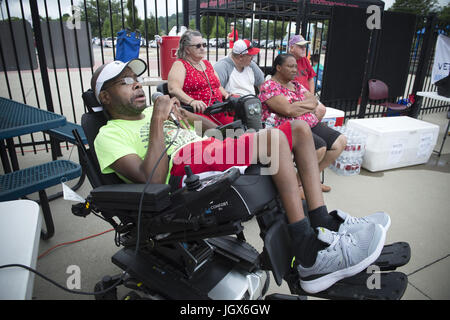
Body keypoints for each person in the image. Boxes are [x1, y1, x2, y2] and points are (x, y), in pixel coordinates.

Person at [92, 58, 390, 294]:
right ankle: (308, 255)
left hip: (207, 150)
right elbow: (153, 181)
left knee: (299, 130)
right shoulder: (108, 135)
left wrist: (187, 117)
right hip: (182, 171)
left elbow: (210, 130)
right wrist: (158, 120)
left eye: (136, 79)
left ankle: (322, 222)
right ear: (105, 97)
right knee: (274, 140)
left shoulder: (158, 115)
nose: (136, 85)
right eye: (125, 82)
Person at [259, 54, 347, 194]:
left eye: (296, 66)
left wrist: (296, 106)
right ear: (278, 67)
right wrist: (302, 107)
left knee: (340, 142)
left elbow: (314, 102)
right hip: (288, 128)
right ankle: (297, 188)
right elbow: (287, 110)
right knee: (319, 148)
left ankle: (306, 182)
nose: (295, 70)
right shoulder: (269, 86)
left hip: (308, 123)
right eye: (290, 66)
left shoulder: (296, 85)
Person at [167, 29, 234, 126]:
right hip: (199, 114)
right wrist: (192, 101)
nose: (202, 48)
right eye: (198, 46)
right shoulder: (180, 64)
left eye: (204, 45)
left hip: (219, 109)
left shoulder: (207, 64)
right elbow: (173, 89)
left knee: (238, 128)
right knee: (219, 134)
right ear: (187, 49)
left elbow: (217, 86)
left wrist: (227, 95)